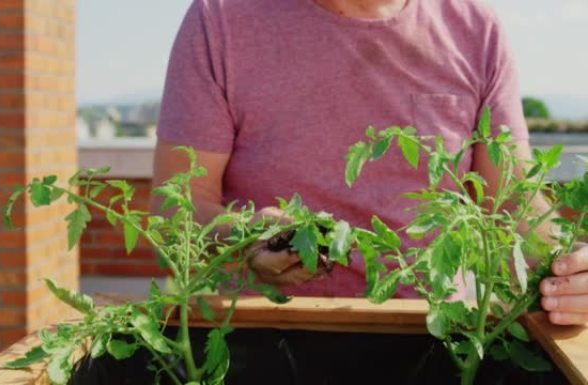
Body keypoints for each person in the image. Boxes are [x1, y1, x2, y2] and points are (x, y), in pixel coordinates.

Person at [152, 0, 588, 325]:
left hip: (437, 337)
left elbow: (512, 207)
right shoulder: (223, 19)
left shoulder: (475, 30)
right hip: (268, 333)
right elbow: (177, 211)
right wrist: (246, 237)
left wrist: (570, 269)